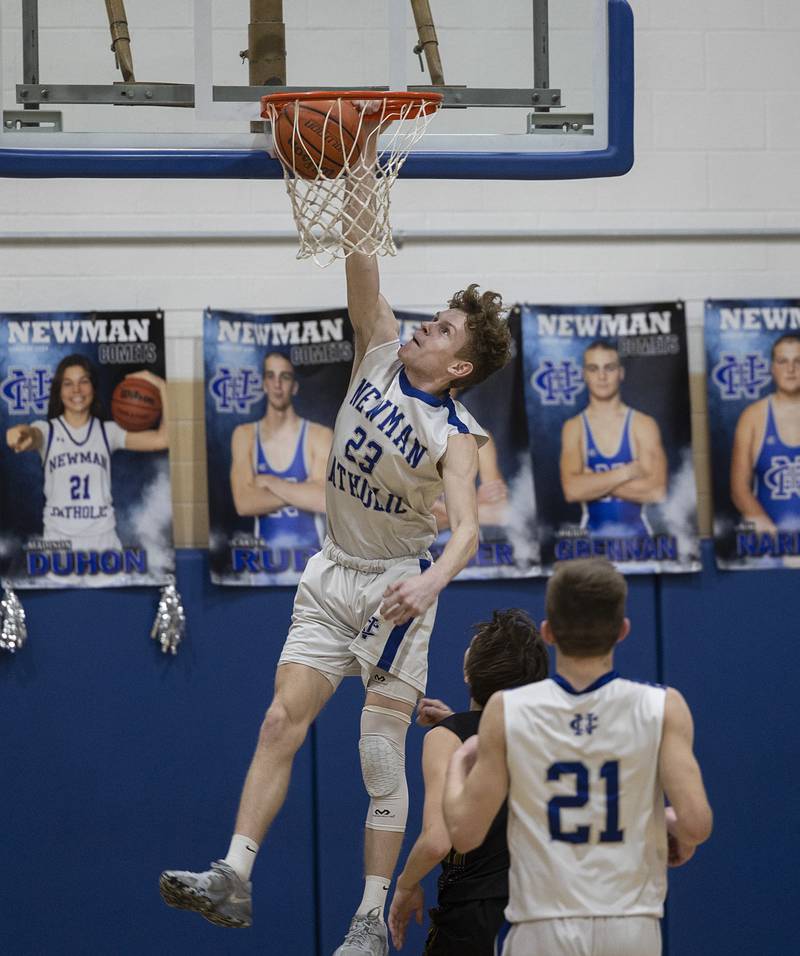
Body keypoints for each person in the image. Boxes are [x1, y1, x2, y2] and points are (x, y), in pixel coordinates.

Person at [159, 104, 512, 956]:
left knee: (378, 757)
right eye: (435, 317)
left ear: (459, 365)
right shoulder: (380, 345)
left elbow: (464, 533)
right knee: (280, 722)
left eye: (447, 329)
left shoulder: (455, 438)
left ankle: (366, 920)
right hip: (330, 573)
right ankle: (235, 874)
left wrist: (429, 583)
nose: (429, 322)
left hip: (397, 590)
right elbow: (362, 249)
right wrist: (358, 160)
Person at [443, 558, 713, 956]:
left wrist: (457, 763)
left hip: (542, 925)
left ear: (548, 633)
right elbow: (696, 826)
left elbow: (465, 835)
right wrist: (669, 823)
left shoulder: (507, 709)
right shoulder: (662, 706)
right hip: (631, 923)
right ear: (622, 631)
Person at [388, 609, 548, 955]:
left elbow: (437, 841)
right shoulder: (550, 734)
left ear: (467, 673)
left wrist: (405, 885)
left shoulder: (448, 739)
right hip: (547, 912)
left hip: (476, 914)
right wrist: (457, 723)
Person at [5, 353, 169, 553]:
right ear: (59, 391)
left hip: (103, 546)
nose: (76, 390)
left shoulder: (109, 432)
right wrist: (20, 433)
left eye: (84, 381)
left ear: (93, 388)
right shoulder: (48, 431)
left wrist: (162, 386)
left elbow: (164, 439)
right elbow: (31, 434)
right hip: (59, 546)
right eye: (68, 383)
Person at [560, 340, 667, 537]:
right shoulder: (574, 427)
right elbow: (572, 490)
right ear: (584, 375)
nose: (602, 376)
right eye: (593, 368)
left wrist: (592, 481)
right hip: (592, 547)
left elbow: (656, 491)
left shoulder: (644, 424)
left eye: (609, 368)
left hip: (641, 545)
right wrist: (626, 472)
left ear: (621, 373)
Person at [230, 351, 333, 553]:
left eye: (284, 377)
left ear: (294, 386)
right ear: (263, 384)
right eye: (270, 376)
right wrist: (303, 491)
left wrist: (270, 482)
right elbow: (244, 503)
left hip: (310, 569)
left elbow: (324, 501)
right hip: (263, 569)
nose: (277, 385)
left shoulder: (319, 435)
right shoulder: (245, 435)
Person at [731, 333, 800, 535]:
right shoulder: (753, 417)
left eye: (798, 361)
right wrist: (775, 540)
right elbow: (739, 490)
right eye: (782, 361)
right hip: (768, 546)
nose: (791, 369)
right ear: (772, 368)